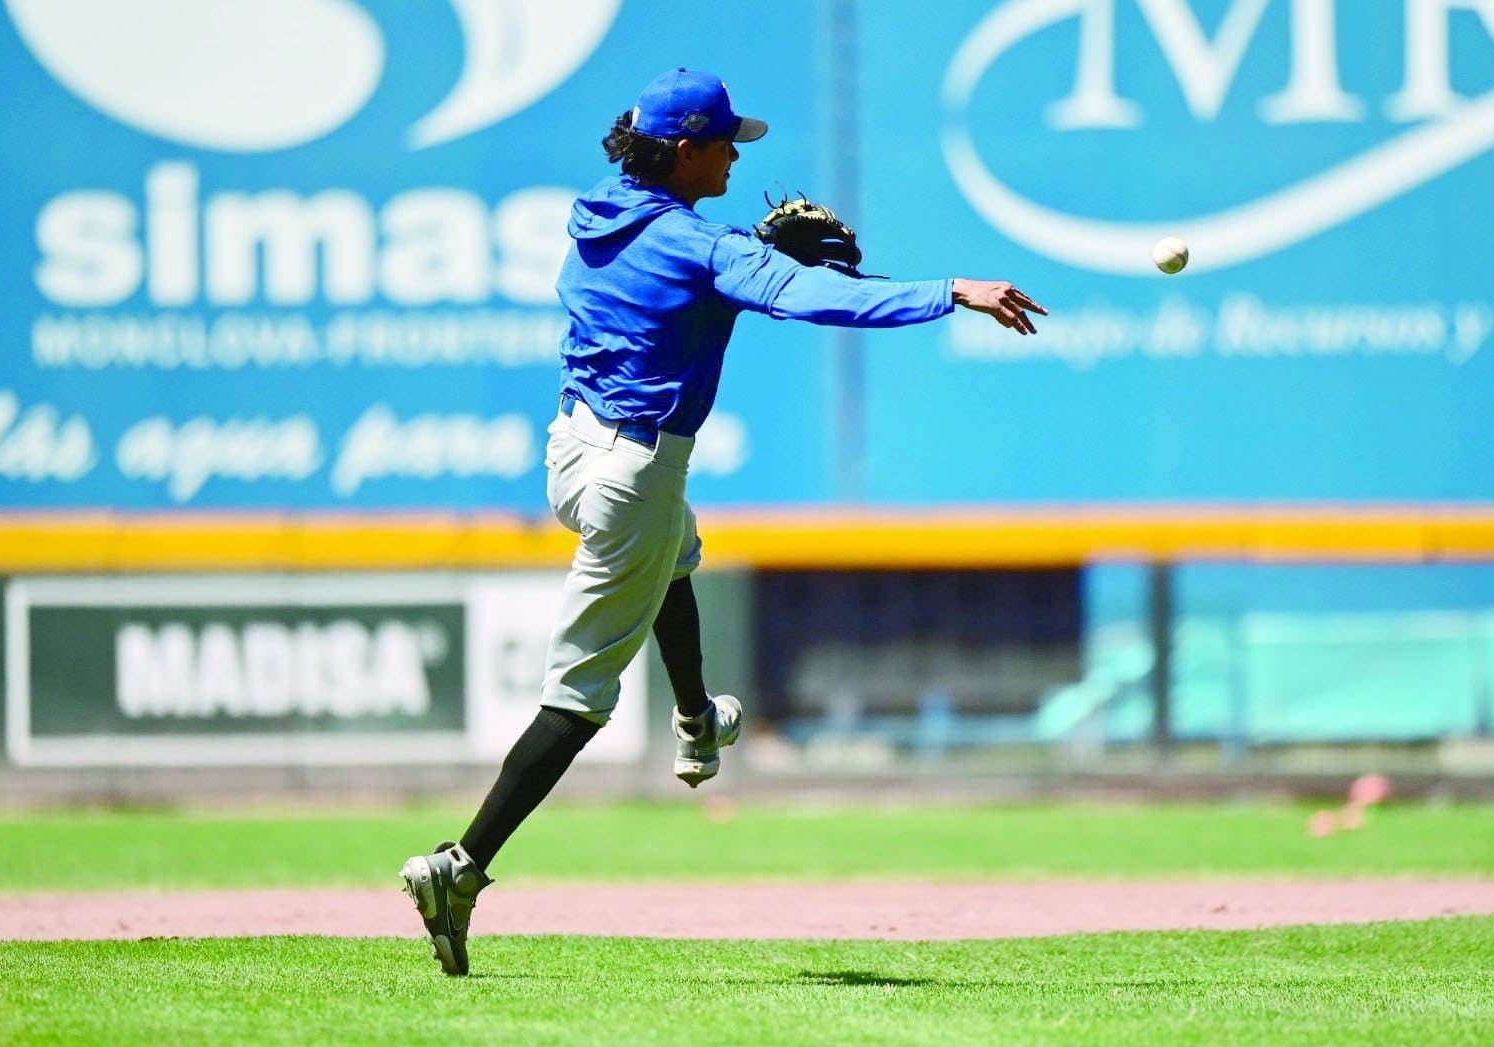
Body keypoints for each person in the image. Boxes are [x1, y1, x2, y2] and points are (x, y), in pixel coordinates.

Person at [399, 67, 1047, 976]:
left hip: (573, 452)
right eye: (723, 143)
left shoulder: (601, 205)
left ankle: (698, 720)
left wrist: (743, 245)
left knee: (677, 551)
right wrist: (952, 291)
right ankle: (459, 866)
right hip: (633, 473)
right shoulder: (702, 247)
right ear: (681, 150)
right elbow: (819, 299)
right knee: (579, 699)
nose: (737, 156)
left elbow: (681, 250)